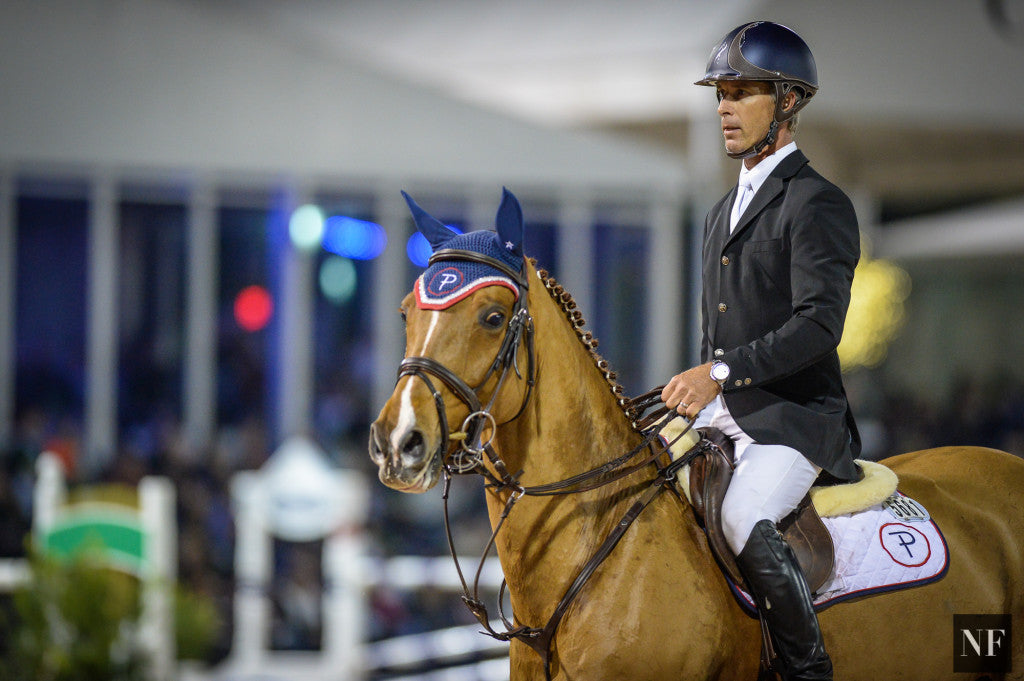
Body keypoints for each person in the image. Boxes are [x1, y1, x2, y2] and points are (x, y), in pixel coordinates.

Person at [661, 21, 861, 681]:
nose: (723, 105)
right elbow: (717, 329)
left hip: (794, 418)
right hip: (727, 414)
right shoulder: (721, 211)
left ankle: (808, 667)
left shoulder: (817, 203)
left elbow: (818, 326)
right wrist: (698, 390)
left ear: (789, 101)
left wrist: (717, 374)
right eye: (721, 91)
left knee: (745, 515)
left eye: (742, 91)